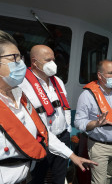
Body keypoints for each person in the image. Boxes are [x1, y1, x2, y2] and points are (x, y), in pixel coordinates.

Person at [0, 29, 96, 184]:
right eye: (13, 58)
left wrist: (72, 156)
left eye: (20, 57)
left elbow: (43, 132)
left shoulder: (19, 98)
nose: (21, 64)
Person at [19, 44, 72, 184]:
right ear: (34, 62)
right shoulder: (22, 83)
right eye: (48, 60)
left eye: (53, 60)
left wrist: (68, 129)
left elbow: (65, 106)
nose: (53, 64)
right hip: (40, 142)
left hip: (62, 137)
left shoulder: (58, 81)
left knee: (59, 178)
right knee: (37, 178)